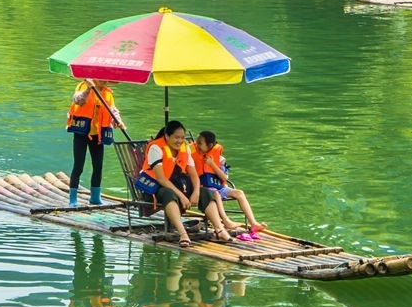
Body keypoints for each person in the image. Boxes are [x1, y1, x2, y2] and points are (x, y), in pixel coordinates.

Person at [132, 120, 200, 248]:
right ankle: (183, 234)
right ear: (167, 136)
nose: (179, 141)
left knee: (206, 192)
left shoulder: (184, 148)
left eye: (182, 137)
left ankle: (220, 229)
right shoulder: (156, 148)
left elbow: (194, 174)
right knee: (169, 194)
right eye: (176, 137)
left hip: (177, 185)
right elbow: (161, 179)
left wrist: (196, 191)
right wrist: (182, 196)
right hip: (154, 189)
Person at [192, 130, 266, 240]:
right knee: (216, 194)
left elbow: (224, 177)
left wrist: (212, 164)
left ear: (210, 145)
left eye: (200, 143)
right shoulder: (193, 156)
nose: (197, 145)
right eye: (197, 142)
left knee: (239, 193)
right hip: (206, 189)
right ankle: (226, 221)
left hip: (220, 187)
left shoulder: (219, 158)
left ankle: (253, 223)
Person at [65, 78, 121, 207]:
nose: (104, 81)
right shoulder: (83, 86)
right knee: (78, 165)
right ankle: (73, 199)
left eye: (105, 79)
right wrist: (89, 88)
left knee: (98, 166)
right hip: (81, 133)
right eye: (101, 79)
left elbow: (112, 109)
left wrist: (118, 120)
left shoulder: (107, 93)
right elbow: (77, 100)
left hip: (98, 135)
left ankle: (95, 197)